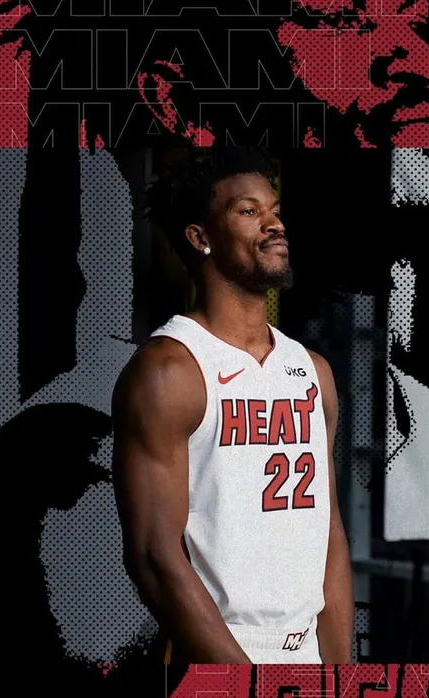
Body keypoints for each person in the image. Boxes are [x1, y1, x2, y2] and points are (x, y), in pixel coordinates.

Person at [111, 145, 354, 665]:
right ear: (200, 237)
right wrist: (249, 690)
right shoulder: (169, 371)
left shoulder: (313, 372)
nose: (274, 224)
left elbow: (328, 531)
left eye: (275, 211)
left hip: (306, 651)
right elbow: (154, 557)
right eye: (249, 211)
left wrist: (338, 679)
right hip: (215, 653)